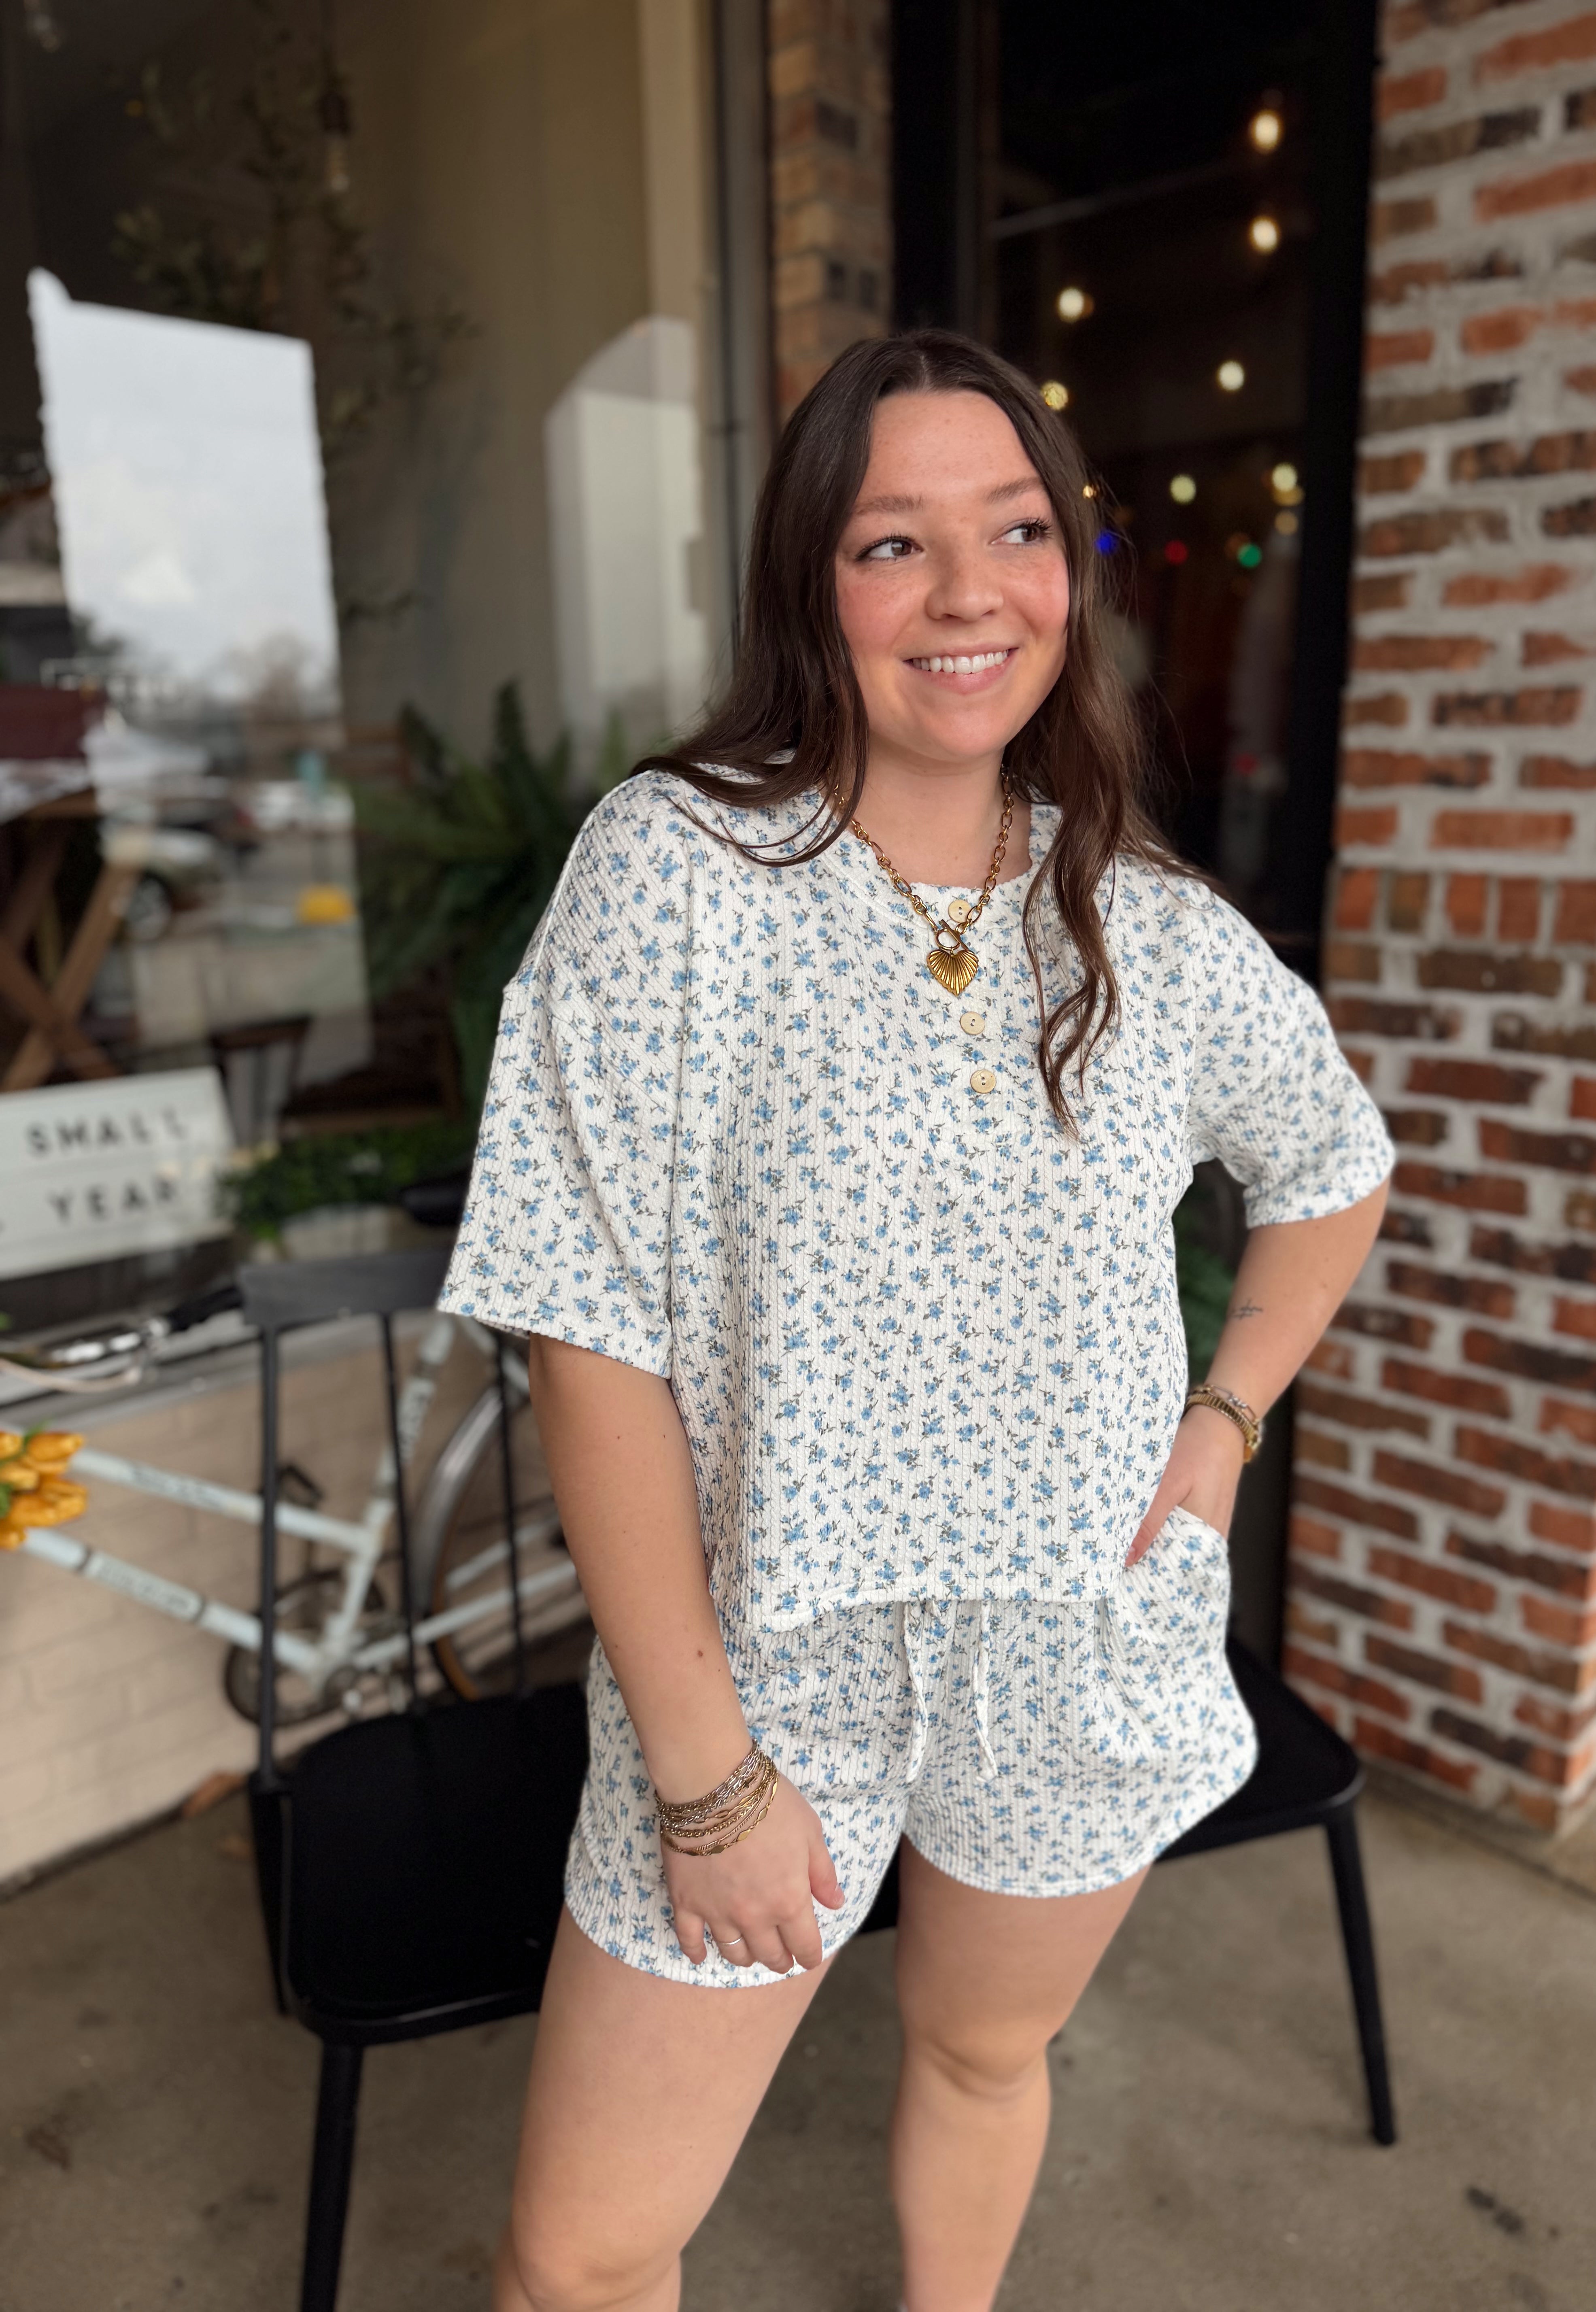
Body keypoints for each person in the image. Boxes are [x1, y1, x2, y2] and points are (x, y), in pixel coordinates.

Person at [440, 329, 1393, 2312]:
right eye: (894, 543)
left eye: (1018, 531)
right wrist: (704, 1774)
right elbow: (585, 1327)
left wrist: (1222, 1427)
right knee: (585, 2254)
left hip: (1078, 1638)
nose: (970, 593)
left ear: (1070, 570)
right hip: (763, 1666)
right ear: (812, 583)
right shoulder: (682, 871)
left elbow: (1333, 1164)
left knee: (981, 2054)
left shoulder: (1140, 917)